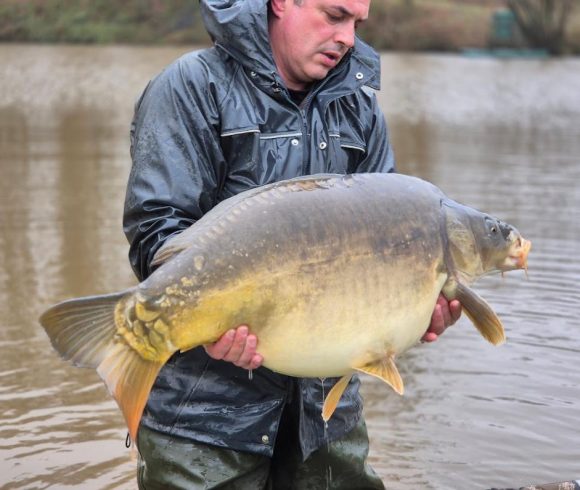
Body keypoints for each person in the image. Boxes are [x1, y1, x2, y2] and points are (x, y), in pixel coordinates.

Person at [123, 0, 461, 488]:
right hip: (203, 417)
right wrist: (208, 320)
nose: (347, 38)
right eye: (334, 15)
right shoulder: (193, 86)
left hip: (325, 414)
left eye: (356, 23)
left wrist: (415, 302)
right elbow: (156, 233)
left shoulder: (358, 104)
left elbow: (393, 239)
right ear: (280, 3)